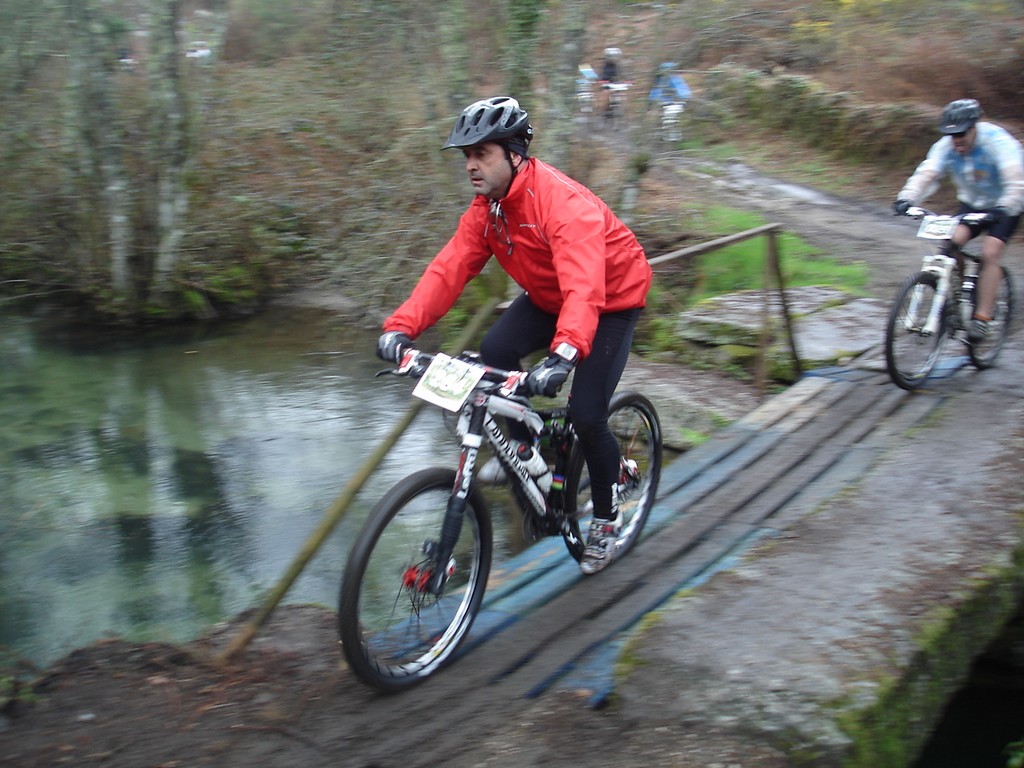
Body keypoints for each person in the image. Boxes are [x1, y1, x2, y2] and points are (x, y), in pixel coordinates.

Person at [376, 96, 653, 575]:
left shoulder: (562, 205)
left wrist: (564, 353)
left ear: (515, 154)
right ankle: (529, 454)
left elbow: (584, 285)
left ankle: (607, 520)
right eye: (467, 155)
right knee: (495, 350)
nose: (471, 165)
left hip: (611, 300)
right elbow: (449, 269)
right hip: (550, 295)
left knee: (587, 413)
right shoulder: (489, 209)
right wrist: (401, 328)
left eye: (482, 153)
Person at [894, 98, 1024, 340]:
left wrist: (1005, 207)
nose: (956, 140)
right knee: (950, 244)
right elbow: (927, 173)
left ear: (974, 127)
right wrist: (906, 198)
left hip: (1005, 206)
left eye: (962, 133)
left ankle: (983, 317)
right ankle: (958, 298)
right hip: (972, 204)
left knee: (990, 253)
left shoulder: (998, 143)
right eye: (951, 134)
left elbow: (1016, 180)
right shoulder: (946, 147)